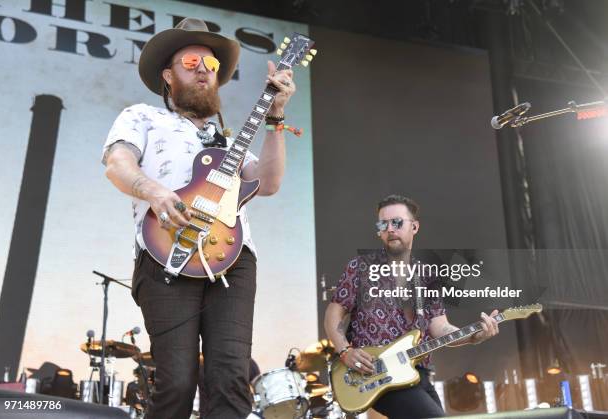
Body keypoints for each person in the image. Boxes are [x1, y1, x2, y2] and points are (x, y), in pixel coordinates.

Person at [102, 18, 296, 419]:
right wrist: (155, 192)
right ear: (168, 75)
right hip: (165, 253)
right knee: (175, 381)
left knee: (230, 377)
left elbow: (269, 183)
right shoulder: (142, 116)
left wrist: (275, 117)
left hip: (233, 259)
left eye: (211, 66)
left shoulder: (225, 140)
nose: (203, 70)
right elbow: (117, 163)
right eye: (192, 61)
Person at [324, 195, 499, 419]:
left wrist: (474, 336)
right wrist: (345, 351)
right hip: (377, 375)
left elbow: (440, 329)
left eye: (397, 222)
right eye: (383, 224)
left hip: (419, 375)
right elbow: (333, 314)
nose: (389, 229)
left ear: (414, 226)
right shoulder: (361, 267)